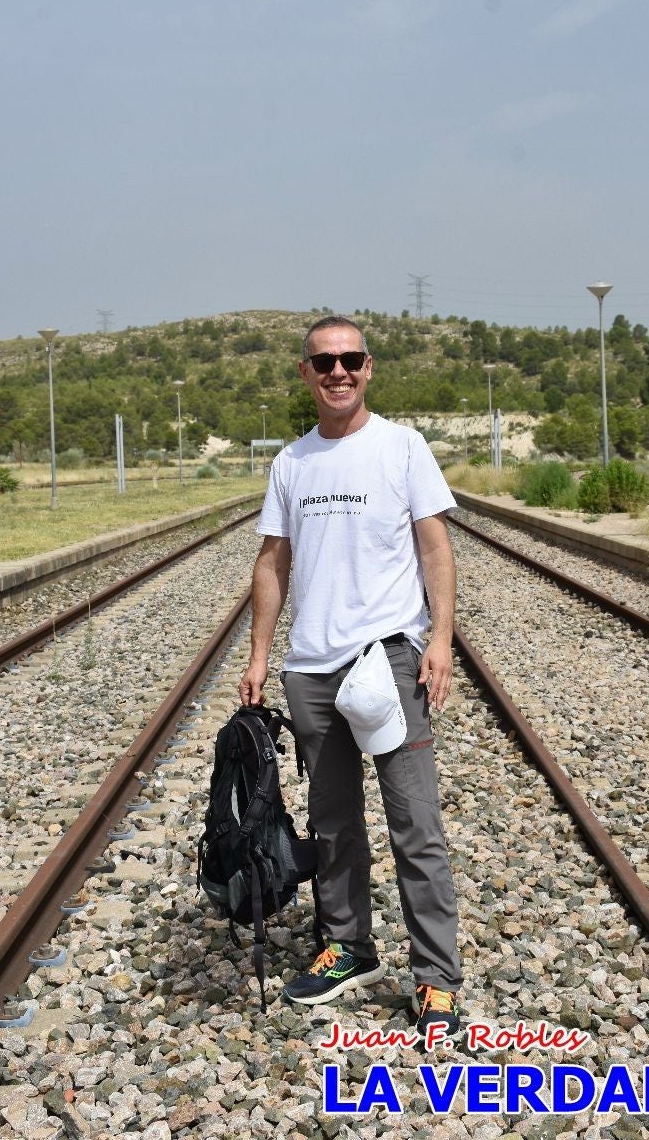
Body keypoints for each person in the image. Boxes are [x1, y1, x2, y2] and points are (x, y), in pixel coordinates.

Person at [238, 314, 462, 1037]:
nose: (338, 372)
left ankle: (436, 979)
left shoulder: (402, 447)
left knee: (415, 825)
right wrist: (260, 655)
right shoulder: (292, 462)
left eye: (351, 360)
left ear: (369, 368)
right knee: (333, 823)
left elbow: (435, 549)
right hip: (310, 667)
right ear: (305, 373)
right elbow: (273, 562)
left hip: (387, 661)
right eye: (324, 362)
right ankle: (349, 947)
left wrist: (440, 639)